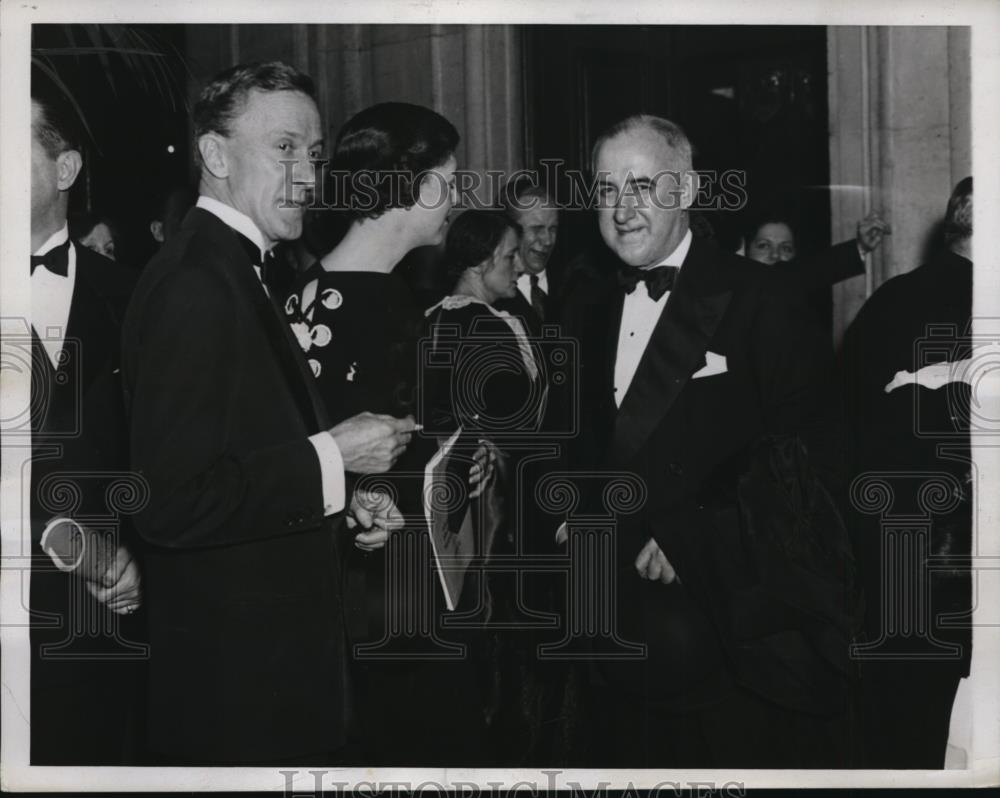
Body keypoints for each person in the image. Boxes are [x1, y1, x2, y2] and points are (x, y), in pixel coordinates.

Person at [121, 61, 415, 765]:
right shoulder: (196, 284)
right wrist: (333, 457)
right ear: (215, 155)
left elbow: (243, 454)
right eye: (284, 148)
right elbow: (170, 502)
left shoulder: (239, 269)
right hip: (236, 695)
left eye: (313, 153)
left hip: (265, 677)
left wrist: (339, 494)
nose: (308, 175)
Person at [565, 114, 853, 768]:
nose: (622, 210)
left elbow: (811, 456)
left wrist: (696, 531)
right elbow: (582, 443)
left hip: (728, 635)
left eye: (642, 185)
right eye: (606, 189)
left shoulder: (764, 299)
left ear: (688, 190)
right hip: (612, 629)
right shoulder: (585, 306)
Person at [283, 101, 489, 765]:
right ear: (415, 187)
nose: (456, 198)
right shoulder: (376, 308)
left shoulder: (314, 293)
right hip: (388, 603)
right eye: (449, 181)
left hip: (369, 593)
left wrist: (464, 452)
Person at [28, 76, 146, 764]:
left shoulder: (138, 300)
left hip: (98, 626)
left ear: (65, 168)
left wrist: (141, 557)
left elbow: (166, 452)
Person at [841, 177, 973, 768]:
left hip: (891, 555)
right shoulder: (980, 307)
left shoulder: (891, 298)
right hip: (952, 562)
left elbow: (845, 420)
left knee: (898, 727)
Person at [494, 176, 561, 333]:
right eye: (537, 229)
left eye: (553, 229)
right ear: (508, 230)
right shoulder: (492, 294)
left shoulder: (576, 284)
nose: (548, 241)